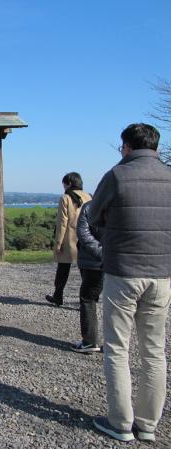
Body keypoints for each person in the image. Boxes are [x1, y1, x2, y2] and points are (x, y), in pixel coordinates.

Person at [88, 123, 171, 443]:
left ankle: (120, 423)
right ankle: (148, 424)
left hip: (123, 271)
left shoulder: (117, 175)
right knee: (154, 351)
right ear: (157, 147)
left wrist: (112, 237)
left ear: (126, 147)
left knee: (118, 350)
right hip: (162, 274)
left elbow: (94, 217)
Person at [45, 172, 91, 306]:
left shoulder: (65, 198)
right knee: (85, 271)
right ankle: (87, 299)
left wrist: (58, 243)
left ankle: (58, 296)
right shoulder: (89, 196)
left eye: (64, 184)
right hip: (86, 238)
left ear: (69, 183)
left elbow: (61, 224)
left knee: (63, 269)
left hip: (69, 239)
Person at [70, 200, 103, 353]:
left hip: (92, 262)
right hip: (118, 260)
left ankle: (90, 341)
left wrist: (101, 253)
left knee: (88, 299)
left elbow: (83, 232)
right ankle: (114, 343)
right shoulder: (119, 205)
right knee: (117, 303)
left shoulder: (90, 206)